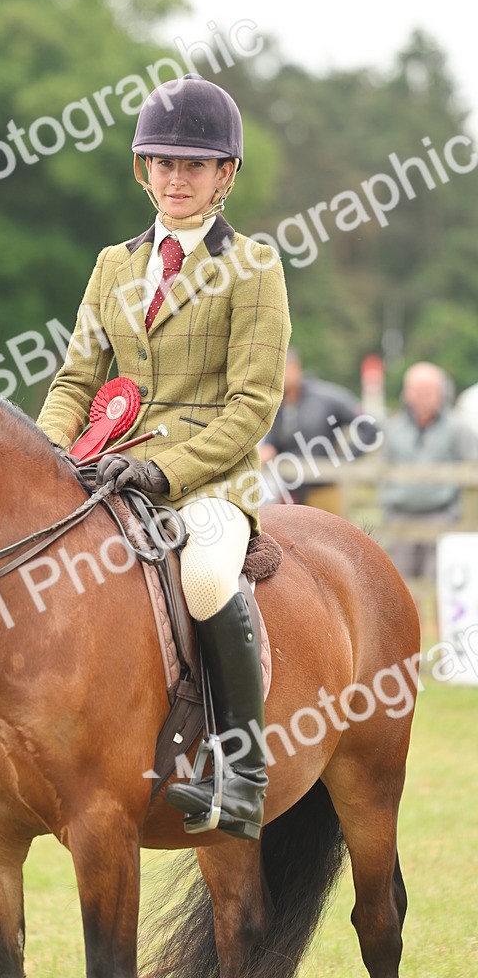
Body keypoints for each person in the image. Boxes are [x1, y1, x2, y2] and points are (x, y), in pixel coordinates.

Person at [37, 74, 291, 840]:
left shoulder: (254, 266)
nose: (176, 179)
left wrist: (165, 469)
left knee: (209, 575)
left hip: (206, 482)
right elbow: (77, 377)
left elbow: (251, 404)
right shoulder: (114, 264)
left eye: (194, 165)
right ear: (142, 170)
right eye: (162, 163)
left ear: (225, 176)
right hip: (104, 467)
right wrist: (45, 459)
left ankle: (242, 768)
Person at [382, 362, 478, 588]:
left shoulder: (459, 428)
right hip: (401, 517)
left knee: (441, 584)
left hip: (442, 517)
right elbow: (380, 468)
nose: (424, 397)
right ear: (407, 394)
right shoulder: (393, 428)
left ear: (441, 393)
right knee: (400, 586)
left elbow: (473, 467)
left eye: (429, 391)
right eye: (418, 391)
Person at [258, 348, 379, 514]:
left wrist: (347, 458)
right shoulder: (277, 404)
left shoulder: (327, 399)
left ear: (296, 367)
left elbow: (370, 428)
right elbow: (274, 443)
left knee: (329, 539)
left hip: (324, 492)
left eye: (283, 369)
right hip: (290, 494)